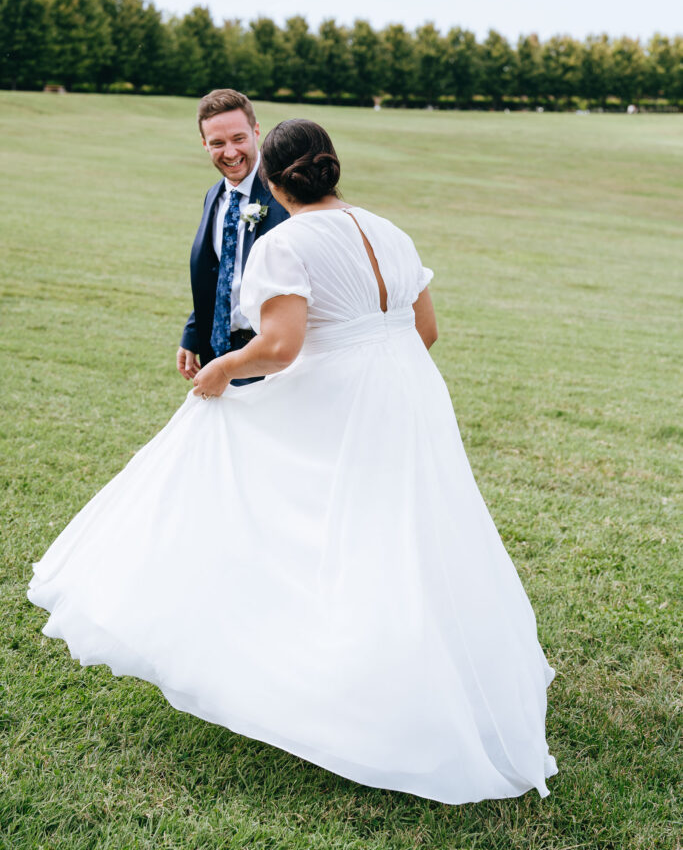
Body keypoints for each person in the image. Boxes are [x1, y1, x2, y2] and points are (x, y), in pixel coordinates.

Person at [28, 119, 557, 805]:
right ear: (333, 168)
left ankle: (331, 680)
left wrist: (222, 368)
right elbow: (425, 331)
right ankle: (421, 675)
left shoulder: (284, 242)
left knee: (287, 497)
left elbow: (279, 347)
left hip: (349, 398)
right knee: (408, 531)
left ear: (276, 183)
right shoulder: (389, 230)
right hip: (412, 395)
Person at [177, 89, 288, 386]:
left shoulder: (287, 193)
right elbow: (221, 272)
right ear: (204, 144)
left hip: (270, 356)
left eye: (238, 139)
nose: (229, 152)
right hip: (220, 350)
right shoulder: (215, 195)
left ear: (256, 131)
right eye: (217, 143)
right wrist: (193, 333)